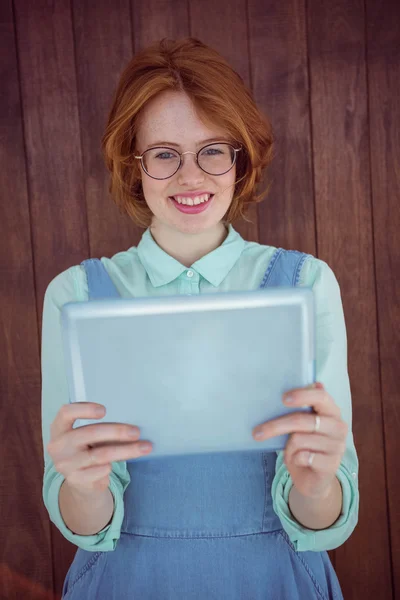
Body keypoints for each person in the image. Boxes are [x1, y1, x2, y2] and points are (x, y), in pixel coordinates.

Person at [41, 38, 359, 599]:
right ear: (133, 165)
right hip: (125, 581)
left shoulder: (307, 285)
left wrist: (315, 484)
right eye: (164, 154)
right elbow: (87, 528)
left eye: (213, 149)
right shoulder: (75, 295)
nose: (191, 177)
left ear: (241, 158)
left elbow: (322, 521)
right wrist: (82, 484)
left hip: (274, 578)